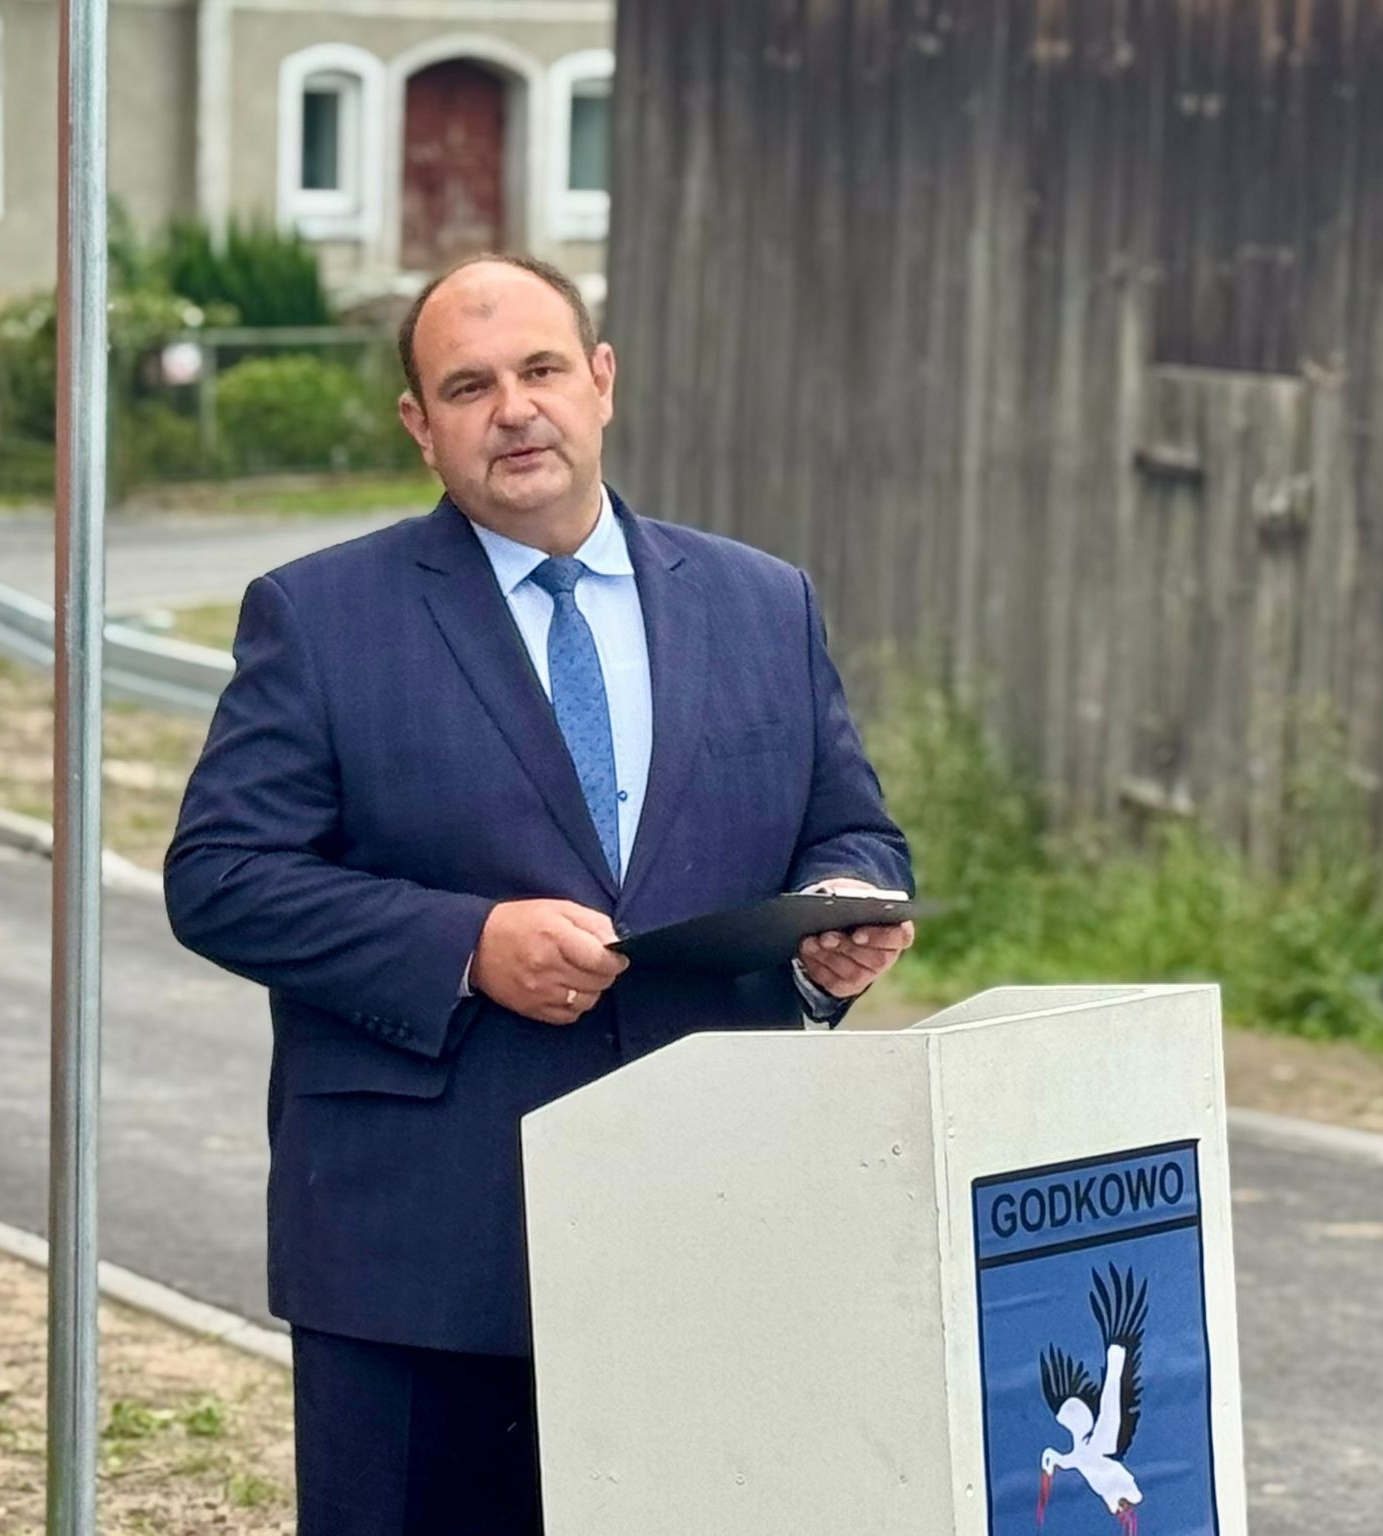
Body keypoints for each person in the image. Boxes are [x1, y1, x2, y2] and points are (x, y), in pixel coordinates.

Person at [163, 253, 915, 1536]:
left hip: (709, 1224)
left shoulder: (760, 602)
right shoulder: (322, 618)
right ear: (419, 425)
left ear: (600, 382)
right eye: (468, 387)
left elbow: (848, 830)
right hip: (423, 1257)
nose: (513, 409)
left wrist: (834, 918)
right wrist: (465, 944)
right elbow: (219, 876)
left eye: (541, 370)